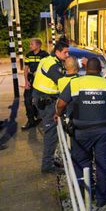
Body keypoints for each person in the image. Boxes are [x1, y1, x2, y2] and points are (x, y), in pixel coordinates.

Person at [55, 58, 106, 207]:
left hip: (80, 132)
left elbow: (61, 104)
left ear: (86, 68)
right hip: (105, 132)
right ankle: (102, 199)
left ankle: (84, 195)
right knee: (103, 165)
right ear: (100, 69)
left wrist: (59, 114)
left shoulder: (75, 83)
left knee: (81, 163)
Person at [32, 41, 69, 174]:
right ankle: (47, 165)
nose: (67, 54)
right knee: (51, 133)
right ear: (57, 52)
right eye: (65, 52)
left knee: (53, 133)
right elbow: (62, 81)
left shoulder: (53, 61)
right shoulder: (51, 64)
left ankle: (49, 159)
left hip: (46, 99)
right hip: (46, 101)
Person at [22, 38, 49, 130]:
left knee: (41, 101)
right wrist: (26, 82)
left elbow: (48, 68)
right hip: (31, 80)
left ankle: (45, 121)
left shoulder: (45, 55)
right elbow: (25, 69)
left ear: (38, 45)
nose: (30, 46)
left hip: (42, 82)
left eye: (32, 44)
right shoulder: (29, 55)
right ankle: (30, 120)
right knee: (27, 100)